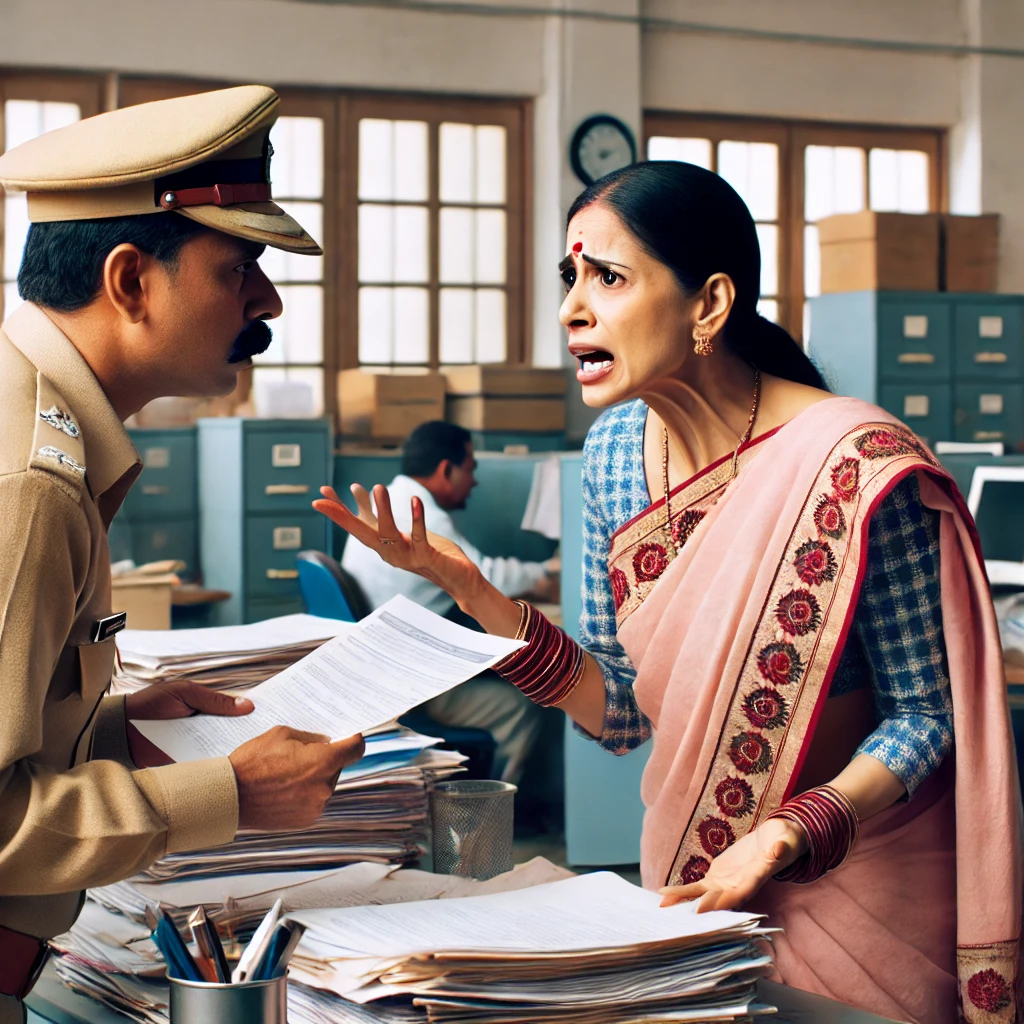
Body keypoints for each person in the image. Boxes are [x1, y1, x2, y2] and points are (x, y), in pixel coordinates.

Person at [316, 161, 1023, 1023]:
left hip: (861, 880)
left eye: (607, 277)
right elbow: (618, 711)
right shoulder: (613, 458)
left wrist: (794, 828)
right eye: (569, 278)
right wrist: (473, 593)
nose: (573, 308)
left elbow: (926, 716)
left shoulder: (855, 465)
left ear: (710, 305)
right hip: (697, 885)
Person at [0, 86, 365, 1019]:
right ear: (130, 282)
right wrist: (226, 794)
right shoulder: (29, 485)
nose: (269, 300)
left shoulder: (34, 417)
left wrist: (114, 726)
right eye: (238, 267)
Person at [342, 420, 556, 783]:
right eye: (470, 469)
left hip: (380, 671)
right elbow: (478, 572)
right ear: (446, 469)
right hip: (414, 685)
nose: (474, 481)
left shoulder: (386, 504)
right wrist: (544, 575)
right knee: (520, 708)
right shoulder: (421, 513)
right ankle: (491, 808)